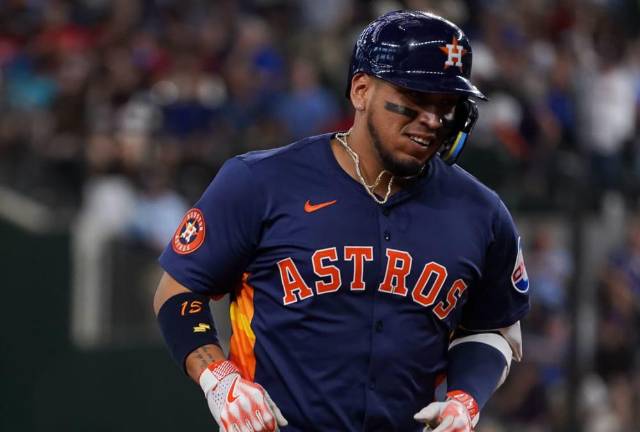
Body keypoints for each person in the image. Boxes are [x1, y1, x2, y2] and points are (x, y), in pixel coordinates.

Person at [153, 10, 530, 432]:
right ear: (361, 90)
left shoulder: (482, 212)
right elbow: (178, 290)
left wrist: (466, 399)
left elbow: (493, 327)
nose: (431, 119)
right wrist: (219, 380)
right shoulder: (261, 182)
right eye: (415, 97)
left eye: (447, 105)